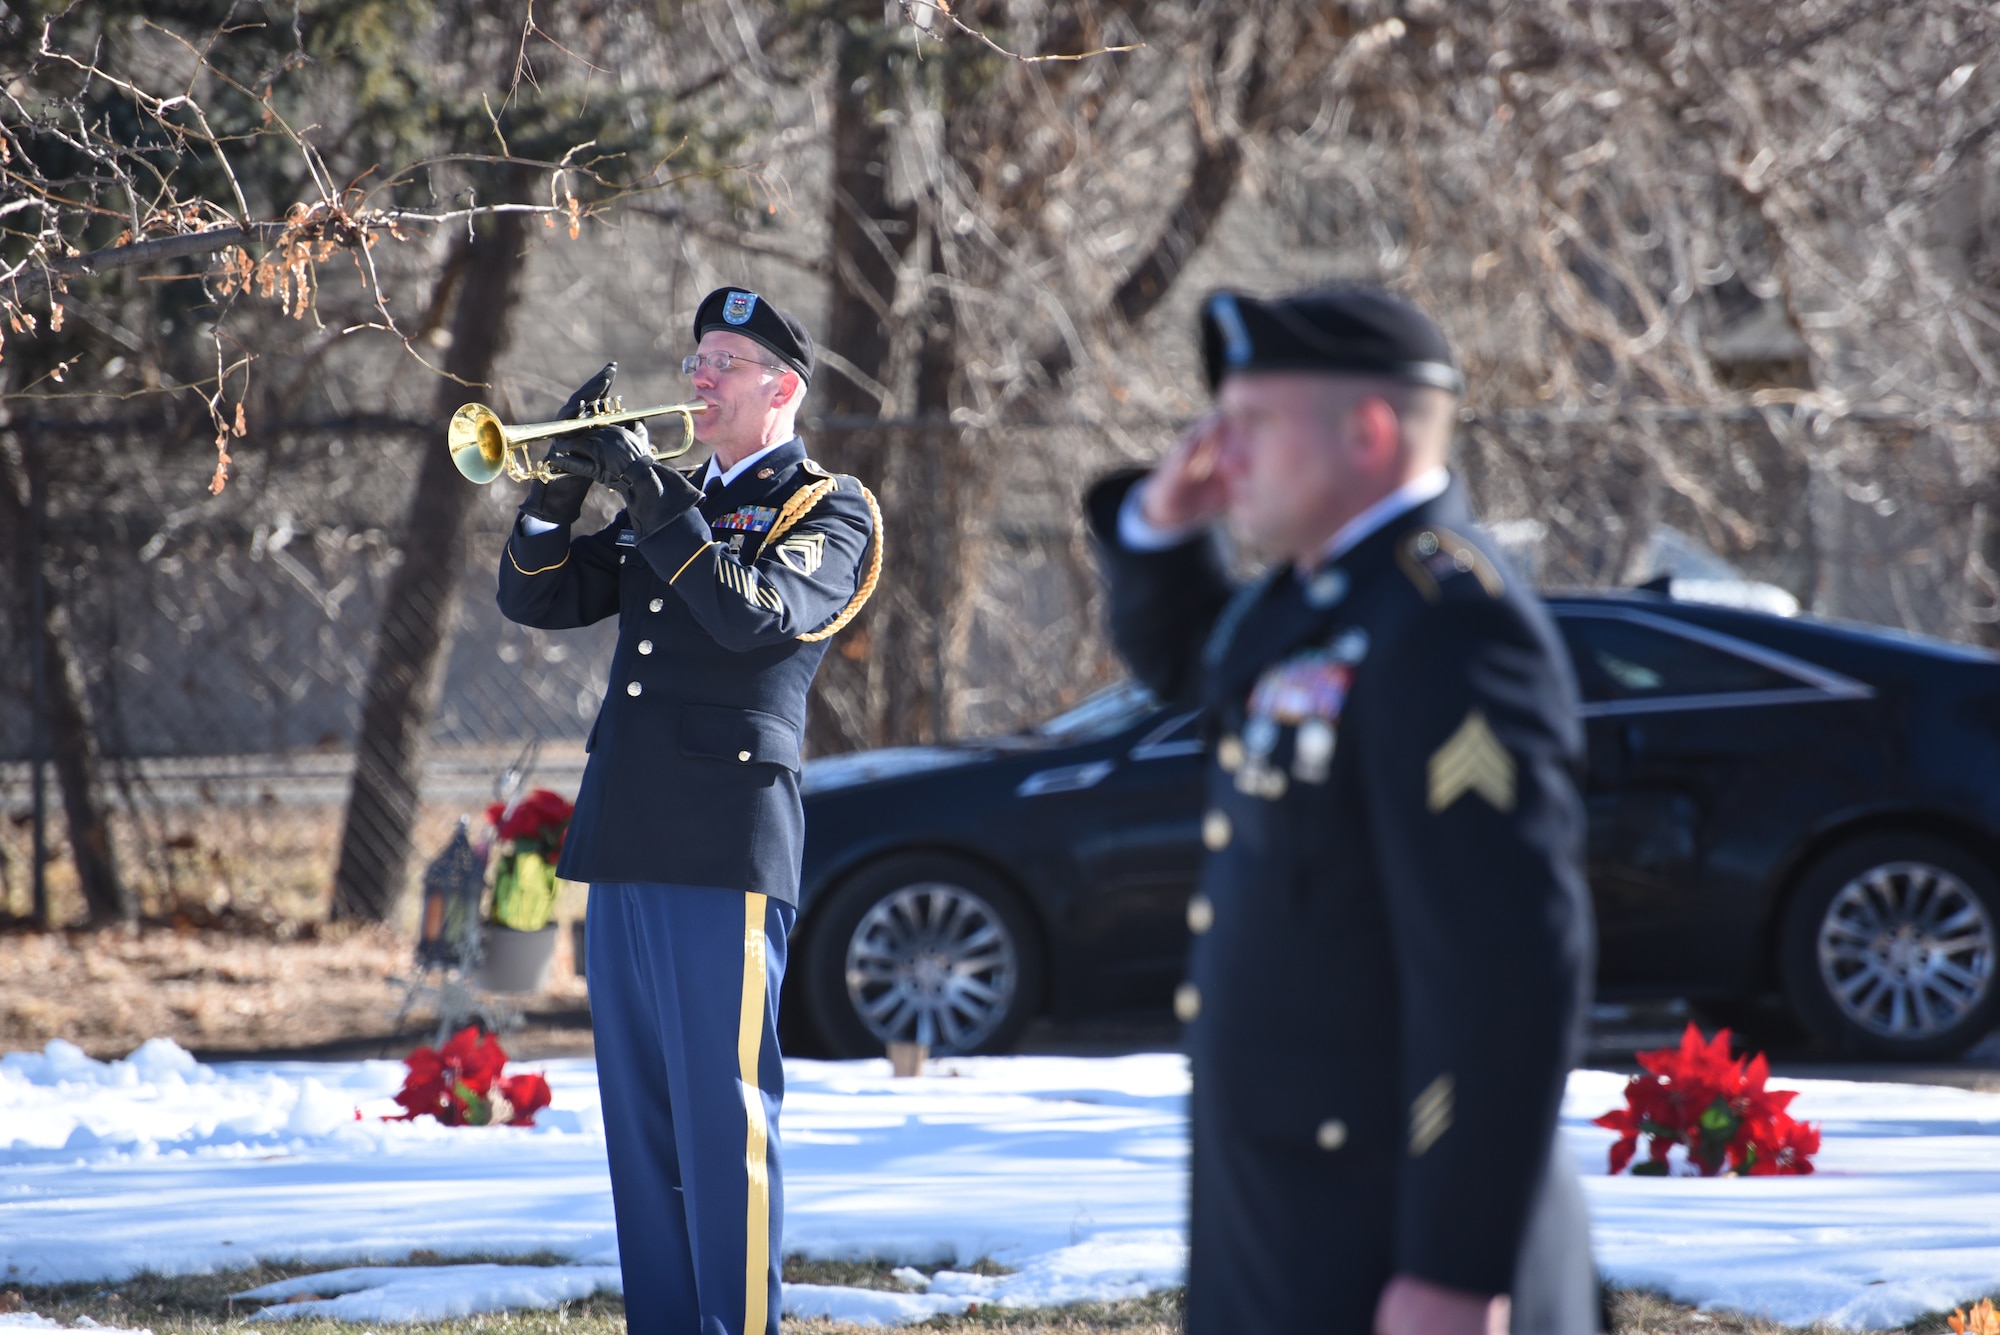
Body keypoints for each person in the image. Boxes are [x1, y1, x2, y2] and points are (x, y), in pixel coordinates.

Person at [1085, 288, 1598, 1335]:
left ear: (1365, 432)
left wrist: (1456, 1268)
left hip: (1388, 1237)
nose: (1221, 456)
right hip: (1285, 1218)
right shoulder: (1312, 598)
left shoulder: (1445, 624)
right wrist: (1160, 529)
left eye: (1252, 425)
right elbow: (1192, 657)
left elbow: (1503, 968)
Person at [496, 286, 880, 1335]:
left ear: (782, 387)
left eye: (724, 363)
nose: (698, 378)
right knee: (643, 1122)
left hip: (724, 840)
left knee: (723, 1119)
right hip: (625, 831)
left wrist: (655, 499)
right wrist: (559, 493)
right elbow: (537, 596)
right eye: (696, 358)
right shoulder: (676, 505)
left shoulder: (828, 509)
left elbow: (747, 617)